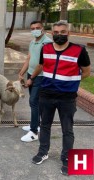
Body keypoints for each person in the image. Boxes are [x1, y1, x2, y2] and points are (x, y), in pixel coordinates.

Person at [27, 20, 91, 176]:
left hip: (67, 98)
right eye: (56, 32)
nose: (59, 35)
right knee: (45, 125)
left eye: (63, 32)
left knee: (67, 129)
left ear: (68, 33)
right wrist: (32, 78)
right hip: (46, 94)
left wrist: (69, 81)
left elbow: (86, 72)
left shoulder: (79, 50)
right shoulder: (46, 48)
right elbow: (41, 65)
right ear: (52, 33)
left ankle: (67, 159)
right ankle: (43, 152)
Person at [19, 21, 52, 143]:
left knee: (34, 101)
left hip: (40, 76)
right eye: (33, 28)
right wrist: (21, 73)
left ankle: (33, 132)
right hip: (31, 74)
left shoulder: (47, 43)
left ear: (42, 28)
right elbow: (29, 58)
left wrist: (31, 78)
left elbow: (42, 65)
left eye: (38, 28)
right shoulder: (33, 42)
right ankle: (36, 124)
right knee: (35, 102)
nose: (35, 30)